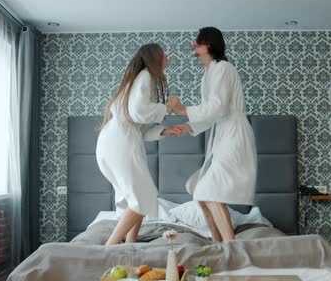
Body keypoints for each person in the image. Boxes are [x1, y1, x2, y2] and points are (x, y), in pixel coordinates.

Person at [167, 27, 257, 242]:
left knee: (209, 191)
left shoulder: (223, 68)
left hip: (234, 136)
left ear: (209, 44)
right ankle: (217, 243)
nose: (194, 44)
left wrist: (181, 110)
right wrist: (186, 126)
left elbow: (218, 107)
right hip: (222, 134)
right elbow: (211, 115)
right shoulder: (208, 73)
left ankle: (229, 245)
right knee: (200, 190)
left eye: (198, 41)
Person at [97, 43, 181, 245]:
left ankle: (130, 244)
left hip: (113, 141)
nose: (167, 55)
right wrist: (166, 108)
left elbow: (136, 120)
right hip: (120, 143)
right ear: (155, 57)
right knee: (143, 196)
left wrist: (163, 130)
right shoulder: (146, 77)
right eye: (163, 53)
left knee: (136, 197)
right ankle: (110, 247)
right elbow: (137, 112)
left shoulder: (137, 81)